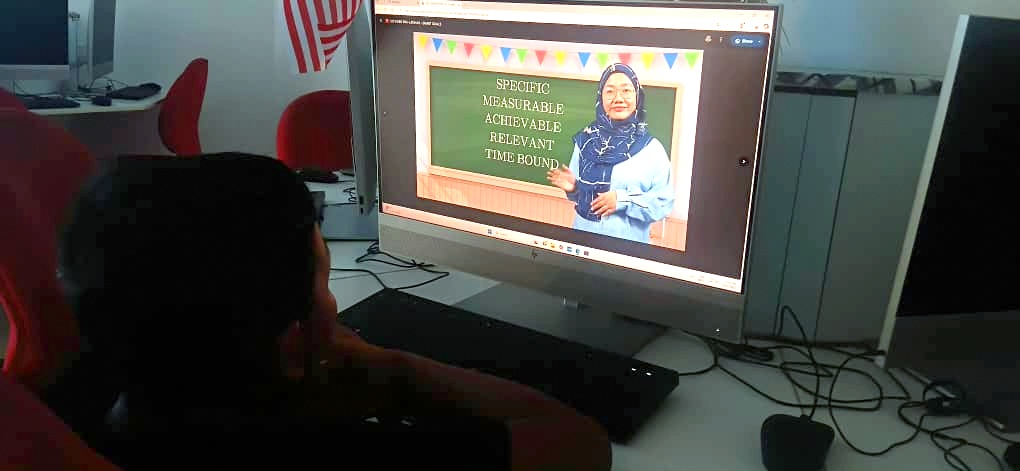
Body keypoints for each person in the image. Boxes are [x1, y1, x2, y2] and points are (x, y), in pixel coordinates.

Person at [58, 153, 610, 470]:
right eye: (323, 284)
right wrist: (394, 369)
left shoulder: (78, 400)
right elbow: (579, 441)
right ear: (291, 342)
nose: (334, 306)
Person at [547, 63, 675, 243]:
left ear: (637, 96)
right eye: (610, 91)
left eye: (626, 90)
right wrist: (575, 188)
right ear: (601, 97)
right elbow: (584, 199)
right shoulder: (586, 142)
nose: (618, 98)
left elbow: (663, 203)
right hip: (582, 245)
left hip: (626, 251)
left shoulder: (652, 150)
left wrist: (623, 200)